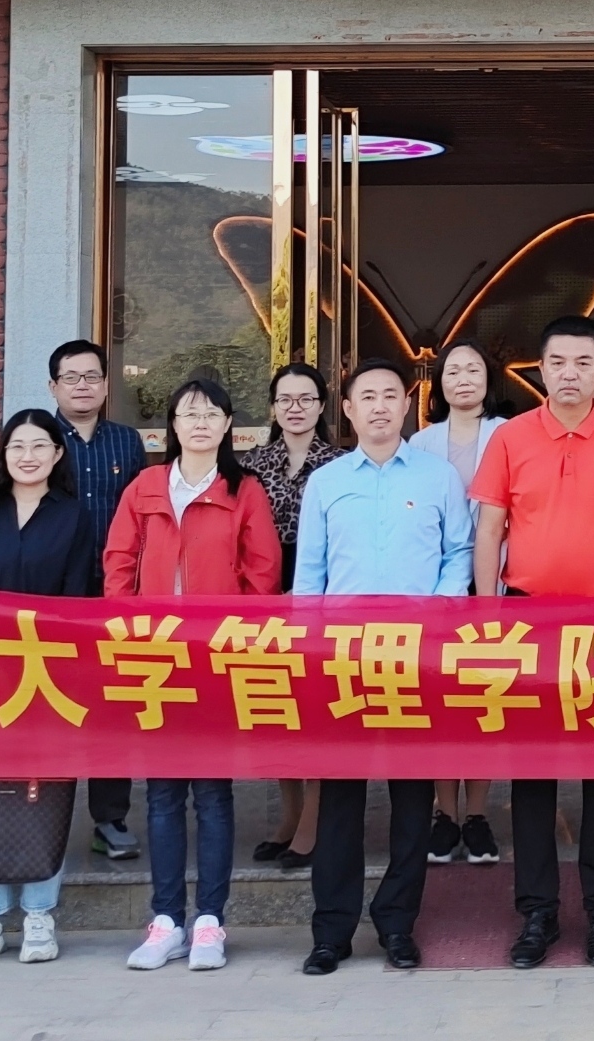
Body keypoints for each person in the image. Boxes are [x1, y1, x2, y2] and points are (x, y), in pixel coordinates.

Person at [470, 314, 594, 970]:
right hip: (527, 623)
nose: (569, 374)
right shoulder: (510, 437)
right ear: (541, 369)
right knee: (532, 774)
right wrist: (487, 610)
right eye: (557, 362)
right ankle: (537, 912)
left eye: (583, 363)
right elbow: (490, 528)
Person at [294, 359, 476, 974]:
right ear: (347, 409)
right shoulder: (326, 482)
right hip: (342, 658)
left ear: (406, 406)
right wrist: (310, 648)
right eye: (366, 397)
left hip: (414, 658)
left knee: (411, 800)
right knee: (339, 801)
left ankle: (398, 923)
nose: (378, 406)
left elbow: (459, 553)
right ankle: (332, 931)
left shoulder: (438, 476)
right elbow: (309, 575)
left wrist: (436, 620)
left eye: (390, 396)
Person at [103, 377, 280, 973]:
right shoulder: (145, 487)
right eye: (188, 413)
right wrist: (127, 631)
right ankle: (165, 921)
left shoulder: (243, 489)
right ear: (172, 425)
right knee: (160, 794)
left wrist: (238, 641)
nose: (200, 422)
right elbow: (119, 561)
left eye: (211, 414)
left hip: (217, 658)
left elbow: (262, 574)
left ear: (228, 424)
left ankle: (209, 921)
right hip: (155, 657)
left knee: (212, 793)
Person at [0, 410, 99, 968]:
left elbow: (79, 596)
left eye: (39, 446)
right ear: (3, 455)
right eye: (17, 446)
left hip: (48, 677)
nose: (27, 456)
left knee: (45, 793)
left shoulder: (74, 516)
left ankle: (39, 913)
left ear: (57, 455)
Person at [402, 340, 510, 867]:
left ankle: (477, 814)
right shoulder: (420, 442)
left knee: (484, 701)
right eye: (452, 371)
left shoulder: (510, 433)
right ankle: (444, 813)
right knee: (441, 704)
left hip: (495, 583)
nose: (462, 378)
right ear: (437, 383)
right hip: (436, 590)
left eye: (473, 369)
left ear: (489, 378)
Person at [45, 339, 148, 865]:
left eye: (91, 377)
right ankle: (44, 817)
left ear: (107, 385)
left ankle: (110, 819)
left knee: (113, 707)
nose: (82, 386)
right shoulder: (35, 439)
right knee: (49, 702)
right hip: (53, 594)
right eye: (71, 377)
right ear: (53, 387)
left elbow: (141, 517)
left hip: (114, 593)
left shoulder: (127, 442)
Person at [242, 361, 335, 868]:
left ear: (322, 406)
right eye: (285, 399)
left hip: (321, 595)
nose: (295, 408)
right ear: (273, 408)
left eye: (306, 399)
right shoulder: (251, 464)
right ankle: (289, 813)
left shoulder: (340, 463)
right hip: (265, 594)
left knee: (316, 712)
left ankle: (314, 821)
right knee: (279, 710)